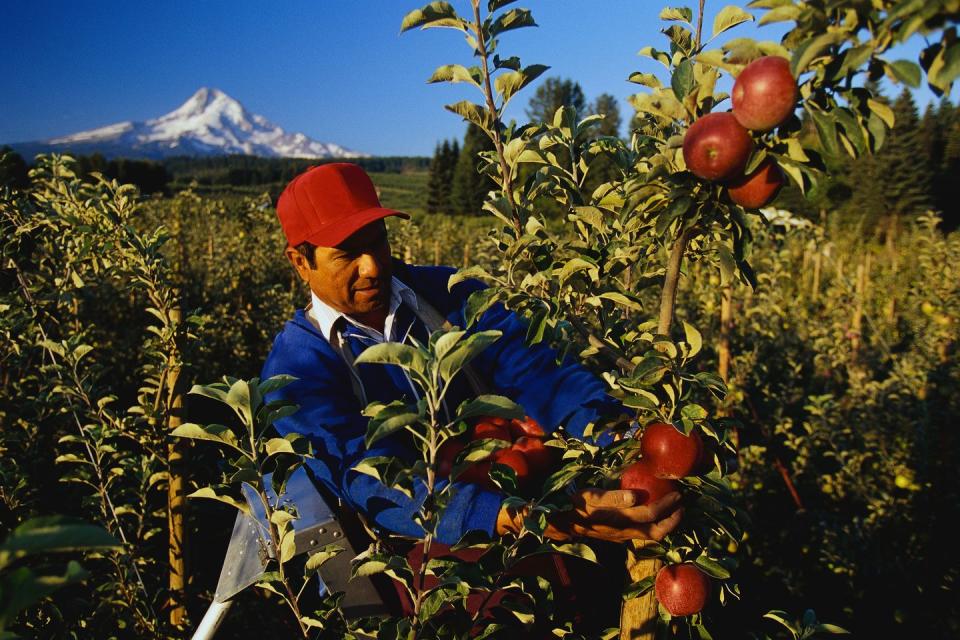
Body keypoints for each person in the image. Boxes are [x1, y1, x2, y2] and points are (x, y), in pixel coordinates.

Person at [260, 162, 681, 623]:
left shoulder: (449, 295)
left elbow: (537, 368)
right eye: (346, 254)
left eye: (377, 240)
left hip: (532, 502)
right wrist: (514, 516)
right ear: (300, 262)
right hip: (433, 557)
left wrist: (614, 437)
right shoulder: (298, 369)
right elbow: (366, 478)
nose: (373, 266)